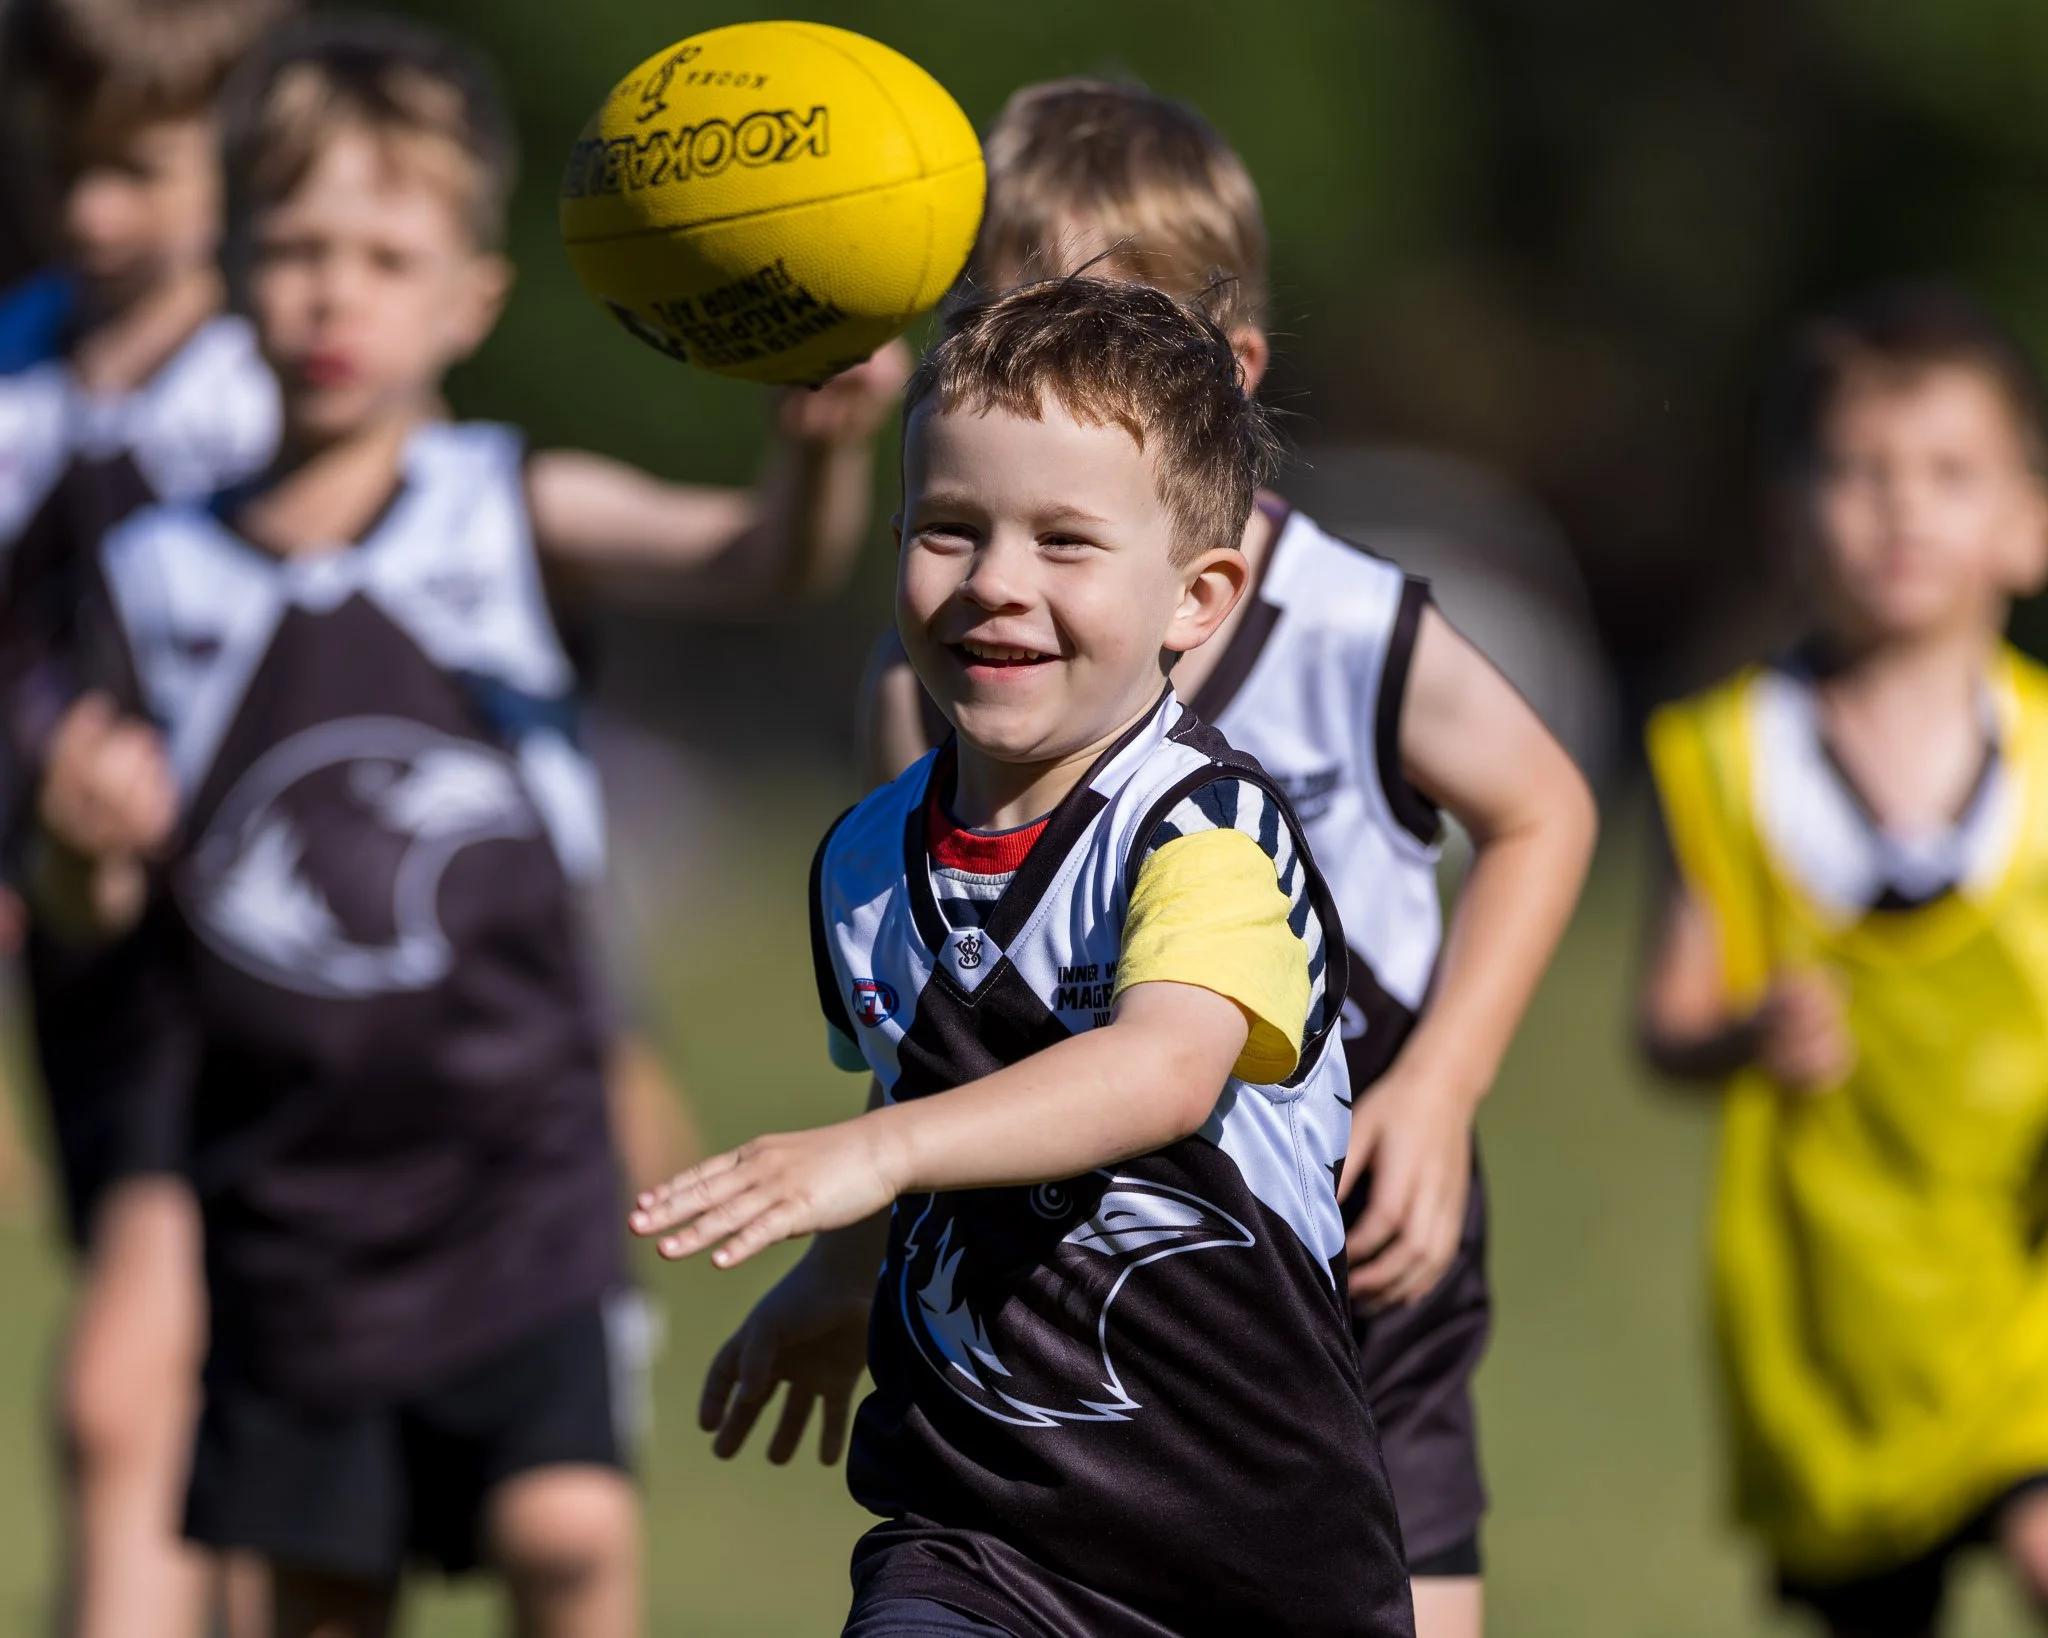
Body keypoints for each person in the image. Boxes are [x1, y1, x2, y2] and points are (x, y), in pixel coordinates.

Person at [28, 14, 905, 1637]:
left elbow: (749, 563)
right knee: (318, 1592)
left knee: (565, 1531)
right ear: (230, 267)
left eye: (382, 254)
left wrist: (815, 468)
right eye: (292, 248)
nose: (332, 291)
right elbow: (97, 909)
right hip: (284, 1194)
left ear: (470, 297)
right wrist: (79, 846)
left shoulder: (507, 510)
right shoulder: (153, 577)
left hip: (515, 1165)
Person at [853, 79, 1596, 1638]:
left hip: (1342, 1211)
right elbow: (929, 1027)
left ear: (1229, 373)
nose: (1043, 368)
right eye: (1001, 320)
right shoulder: (960, 673)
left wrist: (1444, 1086)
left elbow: (1545, 809)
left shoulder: (1352, 623)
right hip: (1073, 1263)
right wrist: (842, 1260)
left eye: (1096, 325)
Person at [635, 275, 1416, 1638]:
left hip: (1255, 1556)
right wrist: (837, 1274)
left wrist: (874, 1159)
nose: (996, 581)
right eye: (950, 529)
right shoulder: (866, 862)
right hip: (975, 1534)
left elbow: (1164, 1068)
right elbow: (918, 1083)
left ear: (1199, 596)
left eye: (1066, 542)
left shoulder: (1205, 828)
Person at [1638, 285, 2048, 1638]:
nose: (1902, 508)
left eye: (1947, 473)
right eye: (1861, 470)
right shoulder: (1731, 763)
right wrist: (1747, 1032)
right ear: (1791, 509)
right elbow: (1667, 1022)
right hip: (1837, 1329)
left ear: (2027, 523)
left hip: (2026, 1299)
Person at [0, 2, 292, 1633]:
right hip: (80, 951)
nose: (98, 210)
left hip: (248, 955)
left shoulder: (278, 387)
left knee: (127, 1392)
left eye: (146, 170)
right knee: (193, 1416)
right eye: (70, 165)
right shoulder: (18, 361)